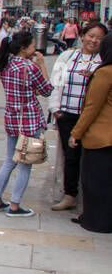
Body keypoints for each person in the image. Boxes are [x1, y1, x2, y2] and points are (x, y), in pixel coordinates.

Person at [0, 31, 52, 217]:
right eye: (32, 46)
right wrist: (42, 65)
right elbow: (47, 90)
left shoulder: (6, 65)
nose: (35, 49)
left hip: (13, 119)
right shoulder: (30, 67)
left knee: (9, 160)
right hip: (30, 121)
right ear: (24, 48)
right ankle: (15, 205)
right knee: (26, 162)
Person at [48, 20, 107, 210]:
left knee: (91, 157)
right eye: (91, 36)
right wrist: (56, 109)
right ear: (82, 36)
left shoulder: (104, 60)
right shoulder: (68, 56)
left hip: (92, 117)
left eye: (99, 38)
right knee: (70, 156)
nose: (94, 41)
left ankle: (90, 198)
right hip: (68, 113)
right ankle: (70, 194)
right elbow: (56, 83)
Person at [69, 34, 112, 233]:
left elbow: (92, 107)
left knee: (96, 182)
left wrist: (76, 132)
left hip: (101, 138)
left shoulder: (105, 73)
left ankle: (95, 220)